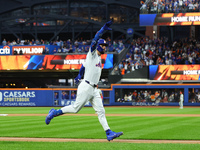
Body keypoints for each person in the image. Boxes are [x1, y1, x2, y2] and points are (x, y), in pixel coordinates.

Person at [45, 20, 123, 141]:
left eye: (105, 46)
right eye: (102, 45)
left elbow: (84, 66)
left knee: (101, 111)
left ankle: (108, 132)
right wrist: (102, 29)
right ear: (98, 46)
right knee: (76, 109)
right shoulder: (92, 54)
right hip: (86, 87)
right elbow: (94, 41)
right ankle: (54, 113)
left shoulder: (97, 59)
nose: (104, 47)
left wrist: (78, 75)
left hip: (94, 89)